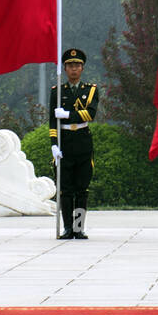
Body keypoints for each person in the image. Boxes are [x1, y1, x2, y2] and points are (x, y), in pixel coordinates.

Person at [49, 48, 99, 240]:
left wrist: (69, 115)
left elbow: (90, 114)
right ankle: (68, 228)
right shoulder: (57, 91)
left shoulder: (91, 90)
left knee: (82, 188)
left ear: (82, 68)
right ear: (65, 68)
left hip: (83, 141)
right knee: (65, 189)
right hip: (64, 142)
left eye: (77, 65)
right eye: (70, 66)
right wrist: (54, 144)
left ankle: (79, 228)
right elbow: (52, 121)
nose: (73, 69)